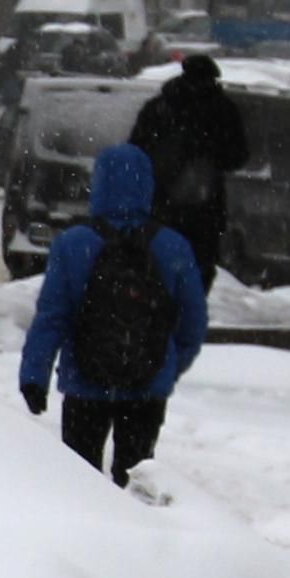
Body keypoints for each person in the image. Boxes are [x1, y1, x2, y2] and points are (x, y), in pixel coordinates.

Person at [17, 139, 205, 487]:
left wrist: (34, 376)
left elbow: (51, 317)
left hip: (85, 383)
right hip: (147, 388)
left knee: (82, 482)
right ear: (147, 185)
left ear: (98, 183)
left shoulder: (73, 244)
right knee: (135, 480)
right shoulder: (172, 246)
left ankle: (86, 537)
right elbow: (193, 322)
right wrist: (167, 365)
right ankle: (132, 536)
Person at [125, 49, 248, 295]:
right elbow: (238, 155)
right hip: (204, 208)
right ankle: (186, 314)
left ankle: (162, 310)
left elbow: (136, 150)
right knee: (198, 267)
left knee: (159, 264)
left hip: (160, 204)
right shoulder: (222, 111)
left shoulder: (158, 108)